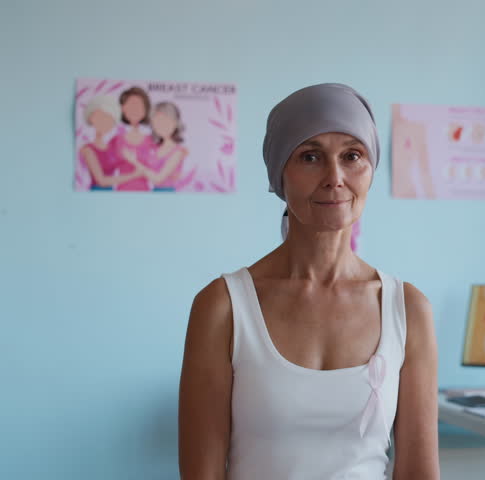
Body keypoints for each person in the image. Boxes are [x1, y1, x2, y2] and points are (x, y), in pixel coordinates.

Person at [178, 83, 439, 479]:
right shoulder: (223, 306)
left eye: (353, 156)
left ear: (370, 171)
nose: (335, 177)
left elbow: (419, 472)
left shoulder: (408, 308)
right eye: (310, 156)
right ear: (279, 173)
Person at [78, 94, 143, 190]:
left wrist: (132, 160)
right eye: (101, 117)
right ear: (91, 118)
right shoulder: (88, 149)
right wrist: (133, 175)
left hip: (111, 194)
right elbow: (101, 180)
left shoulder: (112, 146)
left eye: (109, 119)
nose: (104, 122)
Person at [110, 86, 155, 191]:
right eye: (131, 105)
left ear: (145, 109)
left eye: (140, 106)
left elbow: (156, 172)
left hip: (145, 193)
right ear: (123, 108)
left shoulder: (151, 140)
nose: (135, 109)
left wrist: (134, 162)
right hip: (121, 193)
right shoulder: (116, 140)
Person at [136, 101, 187, 192]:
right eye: (157, 122)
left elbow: (158, 179)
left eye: (165, 121)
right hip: (154, 193)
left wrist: (134, 161)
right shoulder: (154, 148)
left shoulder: (178, 152)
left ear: (175, 123)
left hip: (168, 195)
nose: (161, 126)